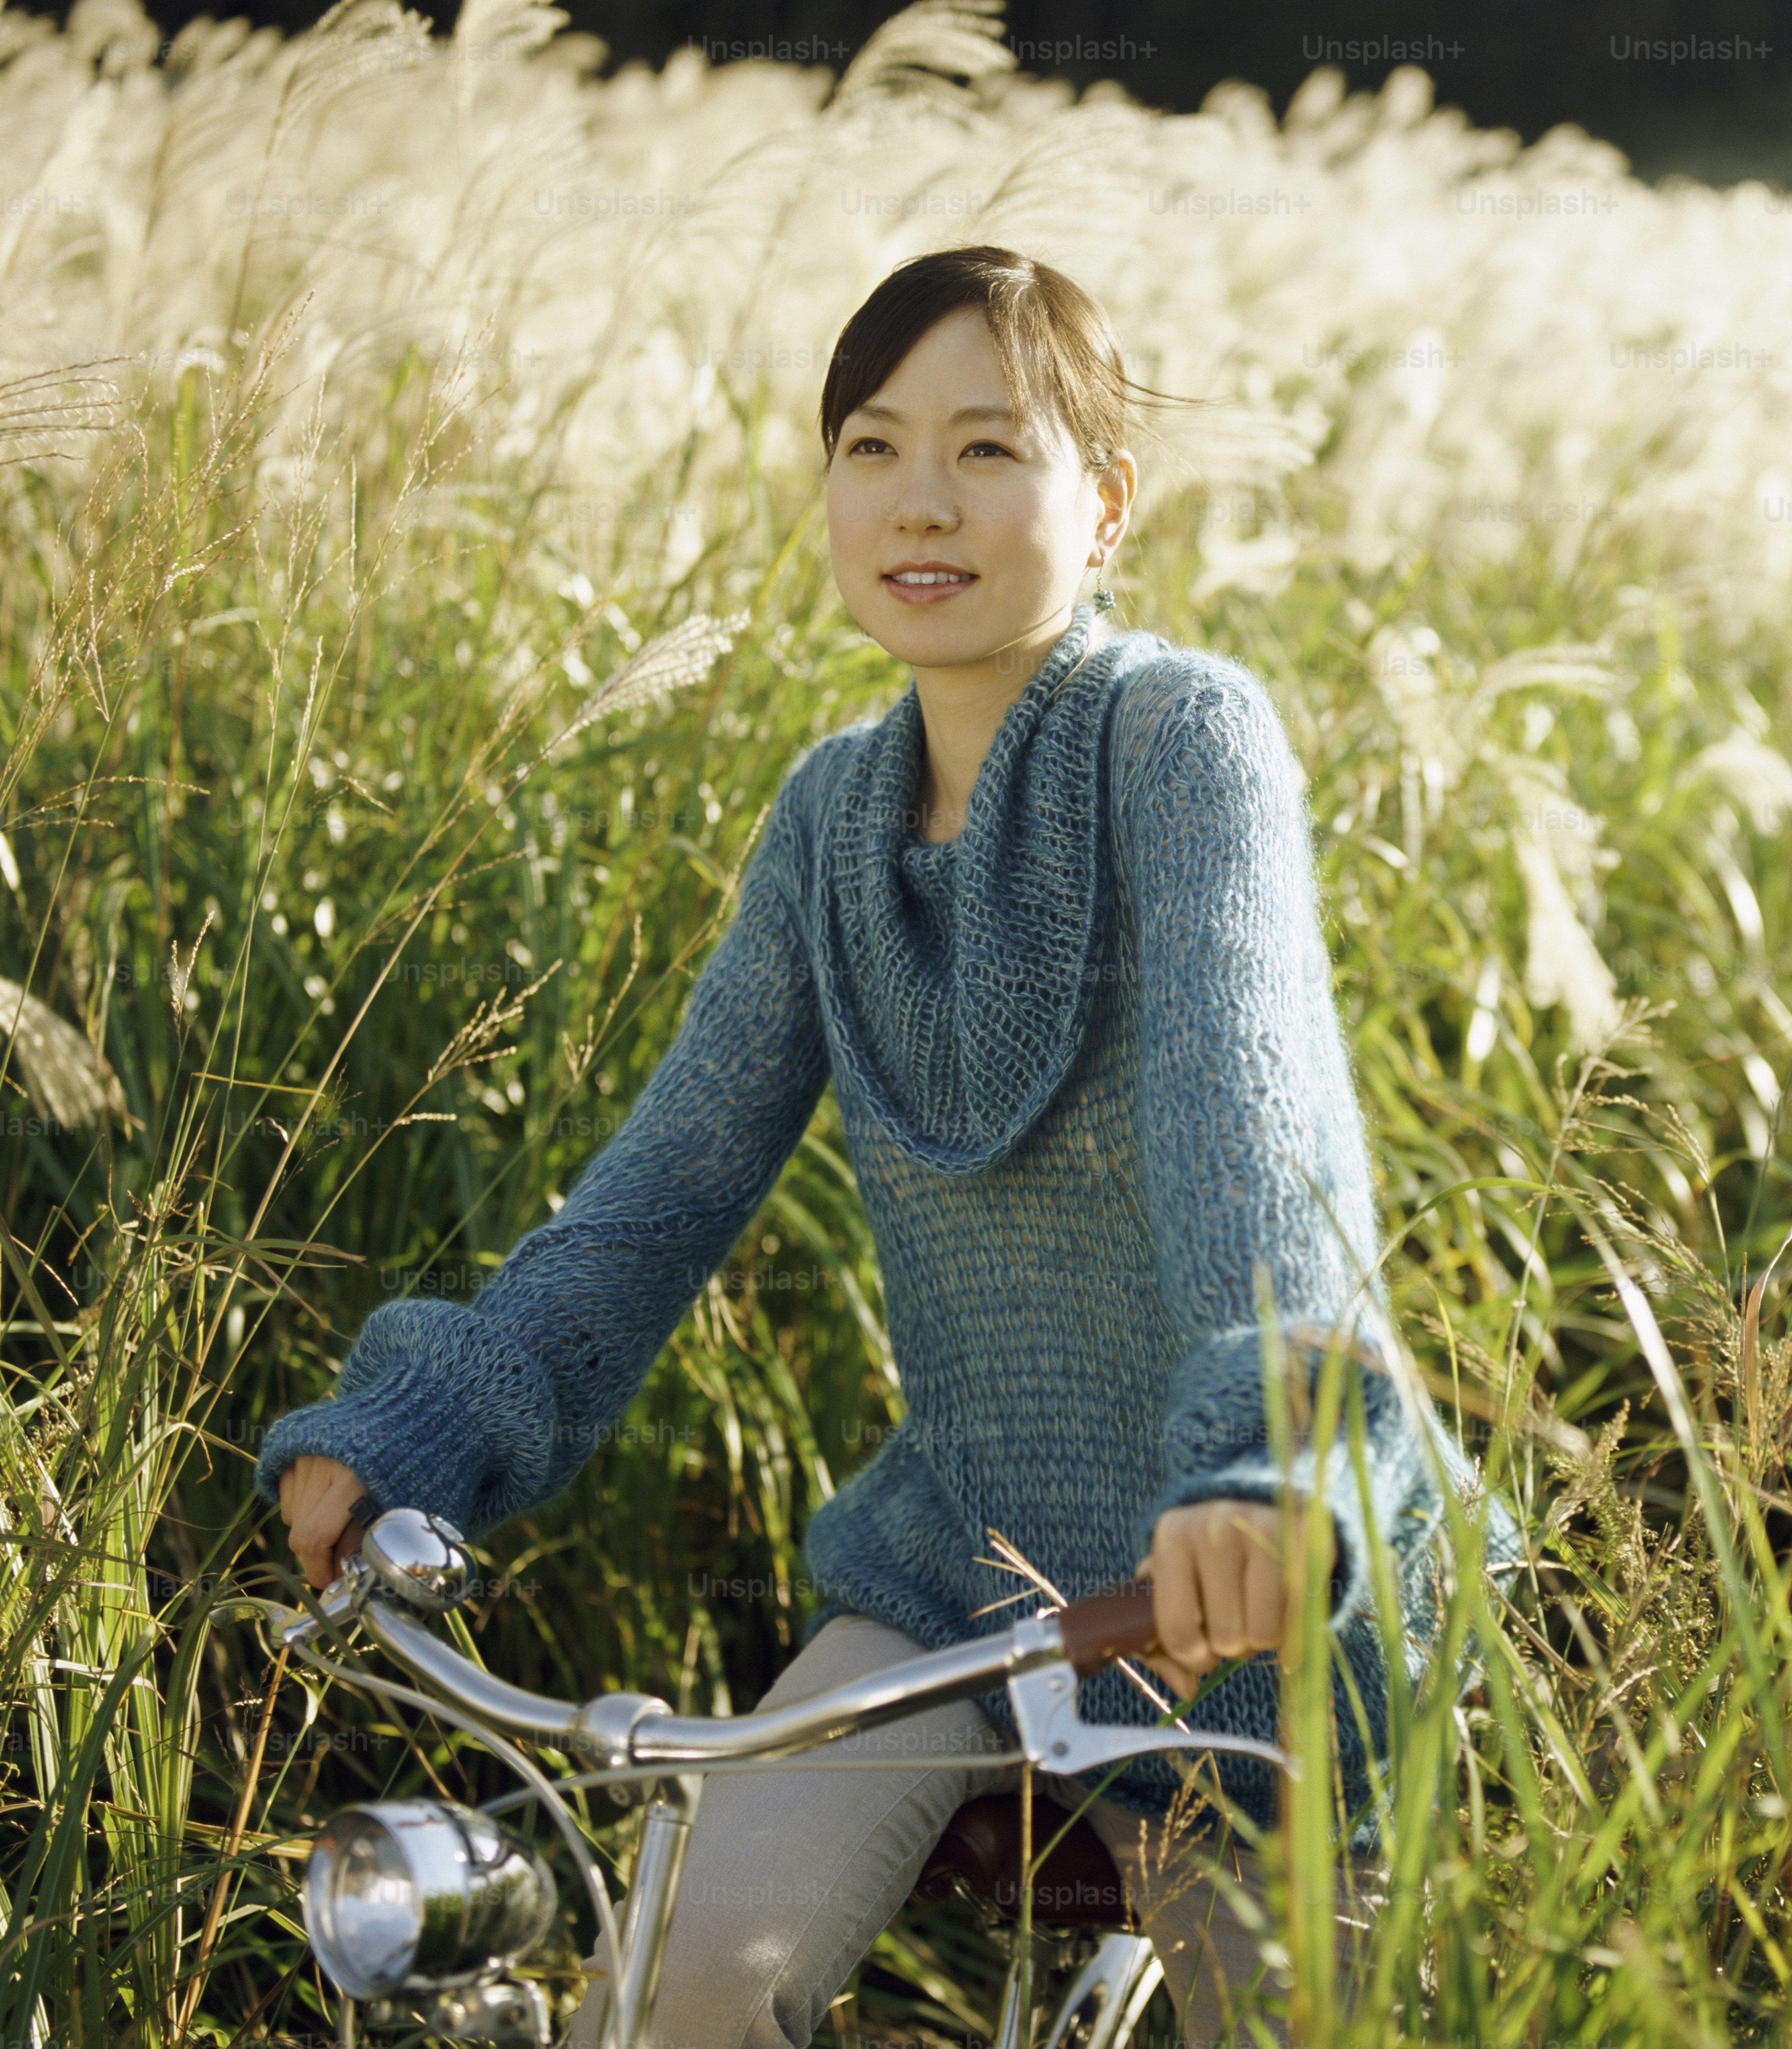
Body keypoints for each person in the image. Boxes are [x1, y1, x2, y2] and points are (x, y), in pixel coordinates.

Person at [259, 243, 1507, 2049]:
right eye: (872, 445)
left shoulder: (1183, 740)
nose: (923, 499)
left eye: (993, 450)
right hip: (966, 1564)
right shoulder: (828, 819)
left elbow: (1265, 1127)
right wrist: (427, 1423)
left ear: (1107, 501)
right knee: (684, 1979)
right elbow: (665, 1182)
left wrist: (1264, 1454)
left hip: (1252, 1574)